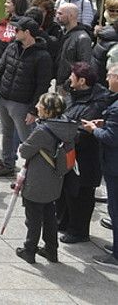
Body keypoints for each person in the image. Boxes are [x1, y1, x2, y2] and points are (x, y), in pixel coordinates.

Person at [0, 16, 54, 178]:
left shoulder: (42, 56)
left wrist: (33, 110)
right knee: (6, 133)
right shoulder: (12, 48)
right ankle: (7, 163)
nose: (13, 32)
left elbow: (42, 86)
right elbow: (0, 72)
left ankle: (36, 170)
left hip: (22, 105)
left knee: (28, 139)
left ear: (27, 33)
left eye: (17, 30)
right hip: (4, 99)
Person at [15, 92, 75, 264]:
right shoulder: (68, 127)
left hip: (37, 180)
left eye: (40, 105)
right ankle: (51, 250)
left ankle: (29, 250)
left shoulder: (43, 130)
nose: (37, 107)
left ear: (47, 111)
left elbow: (25, 151)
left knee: (33, 218)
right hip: (55, 180)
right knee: (49, 216)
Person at [59, 62, 111, 243]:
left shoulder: (97, 102)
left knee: (81, 194)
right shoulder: (75, 93)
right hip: (70, 152)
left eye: (72, 76)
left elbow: (83, 129)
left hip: (87, 157)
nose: (69, 78)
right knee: (68, 191)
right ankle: (64, 222)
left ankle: (78, 231)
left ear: (82, 81)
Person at [79, 63, 118, 266]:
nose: (107, 79)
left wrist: (93, 129)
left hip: (114, 165)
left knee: (115, 209)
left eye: (111, 75)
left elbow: (111, 138)